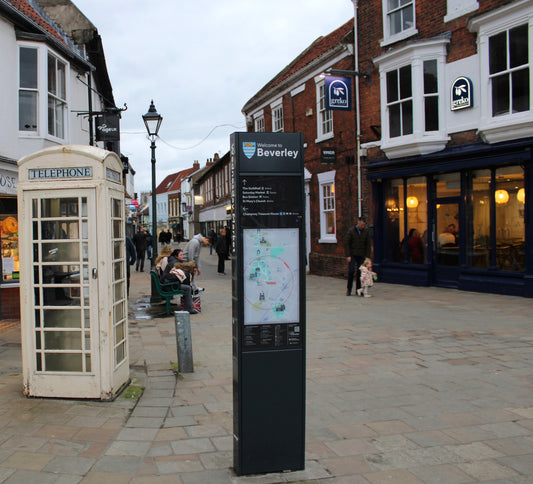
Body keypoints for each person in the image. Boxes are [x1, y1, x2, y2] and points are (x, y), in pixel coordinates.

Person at [344, 217, 372, 296]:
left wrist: (368, 256)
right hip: (352, 254)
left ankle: (358, 289)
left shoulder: (365, 232)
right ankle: (349, 289)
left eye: (364, 225)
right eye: (362, 225)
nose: (363, 226)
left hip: (361, 254)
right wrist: (348, 255)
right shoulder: (351, 231)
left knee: (361, 272)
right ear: (358, 223)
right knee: (351, 271)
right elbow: (347, 243)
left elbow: (368, 245)